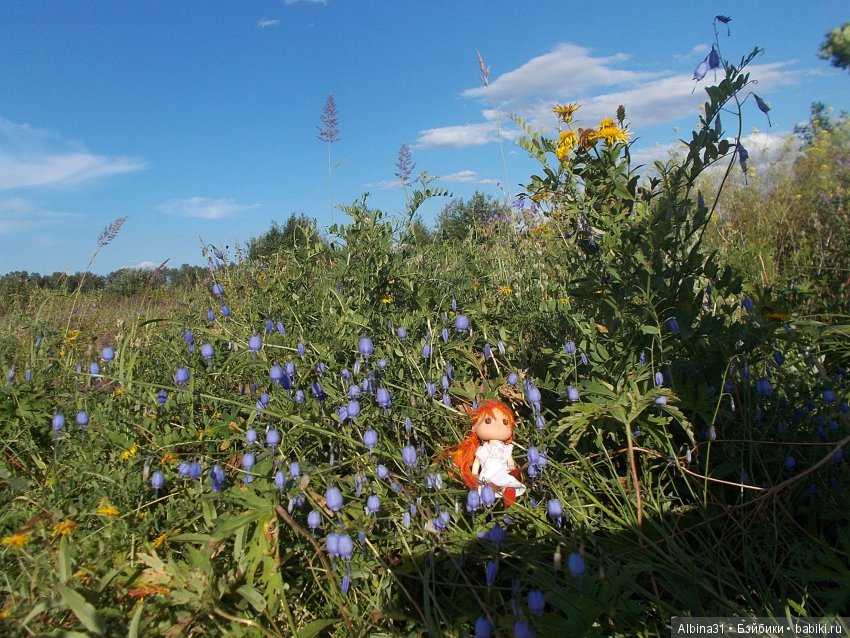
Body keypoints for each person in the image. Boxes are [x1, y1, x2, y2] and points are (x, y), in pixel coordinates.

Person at [447, 399, 525, 506]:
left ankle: (507, 494)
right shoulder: (484, 448)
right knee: (487, 486)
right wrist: (473, 475)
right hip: (488, 473)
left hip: (502, 470)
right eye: (488, 421)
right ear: (474, 427)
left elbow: (509, 458)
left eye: (504, 422)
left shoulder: (504, 448)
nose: (497, 426)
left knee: (505, 482)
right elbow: (477, 462)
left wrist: (511, 466)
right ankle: (487, 500)